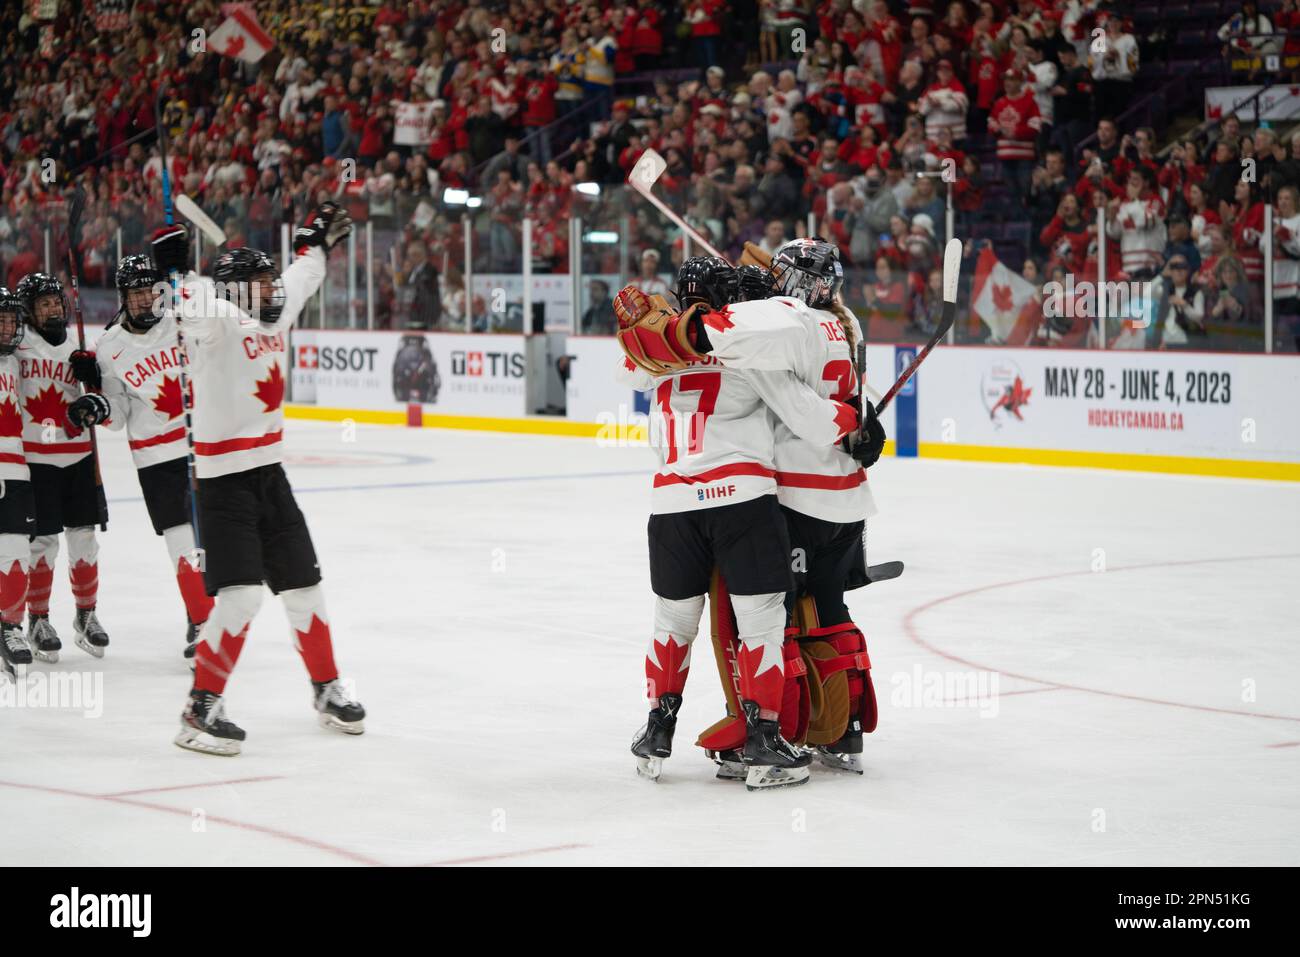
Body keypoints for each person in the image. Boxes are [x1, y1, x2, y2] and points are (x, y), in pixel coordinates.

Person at [616, 256, 859, 790]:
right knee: (761, 624)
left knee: (672, 625)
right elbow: (811, 419)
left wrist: (645, 319)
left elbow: (628, 362)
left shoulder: (652, 356)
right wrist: (855, 420)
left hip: (672, 505)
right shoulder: (746, 348)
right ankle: (764, 741)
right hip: (741, 501)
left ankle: (657, 730)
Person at [149, 204, 366, 756]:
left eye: (272, 281)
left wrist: (314, 241)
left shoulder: (271, 311)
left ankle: (326, 689)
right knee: (242, 597)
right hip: (222, 486)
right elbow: (191, 305)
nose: (273, 290)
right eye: (261, 282)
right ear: (234, 291)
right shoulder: (217, 323)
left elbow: (303, 277)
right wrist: (174, 271)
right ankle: (200, 709)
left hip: (270, 477)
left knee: (304, 587)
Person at [65, 255, 213, 665]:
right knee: (182, 544)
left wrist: (182, 267)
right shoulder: (110, 346)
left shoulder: (183, 323)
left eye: (151, 290)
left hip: (199, 448)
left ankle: (201, 615)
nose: (146, 299)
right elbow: (119, 413)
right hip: (155, 460)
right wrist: (96, 401)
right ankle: (203, 623)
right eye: (136, 293)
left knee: (209, 541)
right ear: (123, 297)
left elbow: (217, 312)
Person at [14, 272, 109, 663]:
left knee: (84, 538)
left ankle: (86, 615)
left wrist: (94, 384)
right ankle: (38, 620)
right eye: (44, 304)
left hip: (78, 460)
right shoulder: (17, 348)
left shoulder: (77, 347)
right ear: (29, 313)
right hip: (38, 462)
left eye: (56, 302)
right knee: (43, 543)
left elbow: (102, 407)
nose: (53, 309)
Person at [0, 288, 34, 678]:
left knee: (15, 553)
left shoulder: (16, 363)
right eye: (2, 320)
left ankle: (11, 627)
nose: (9, 328)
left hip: (16, 469)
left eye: (12, 320)